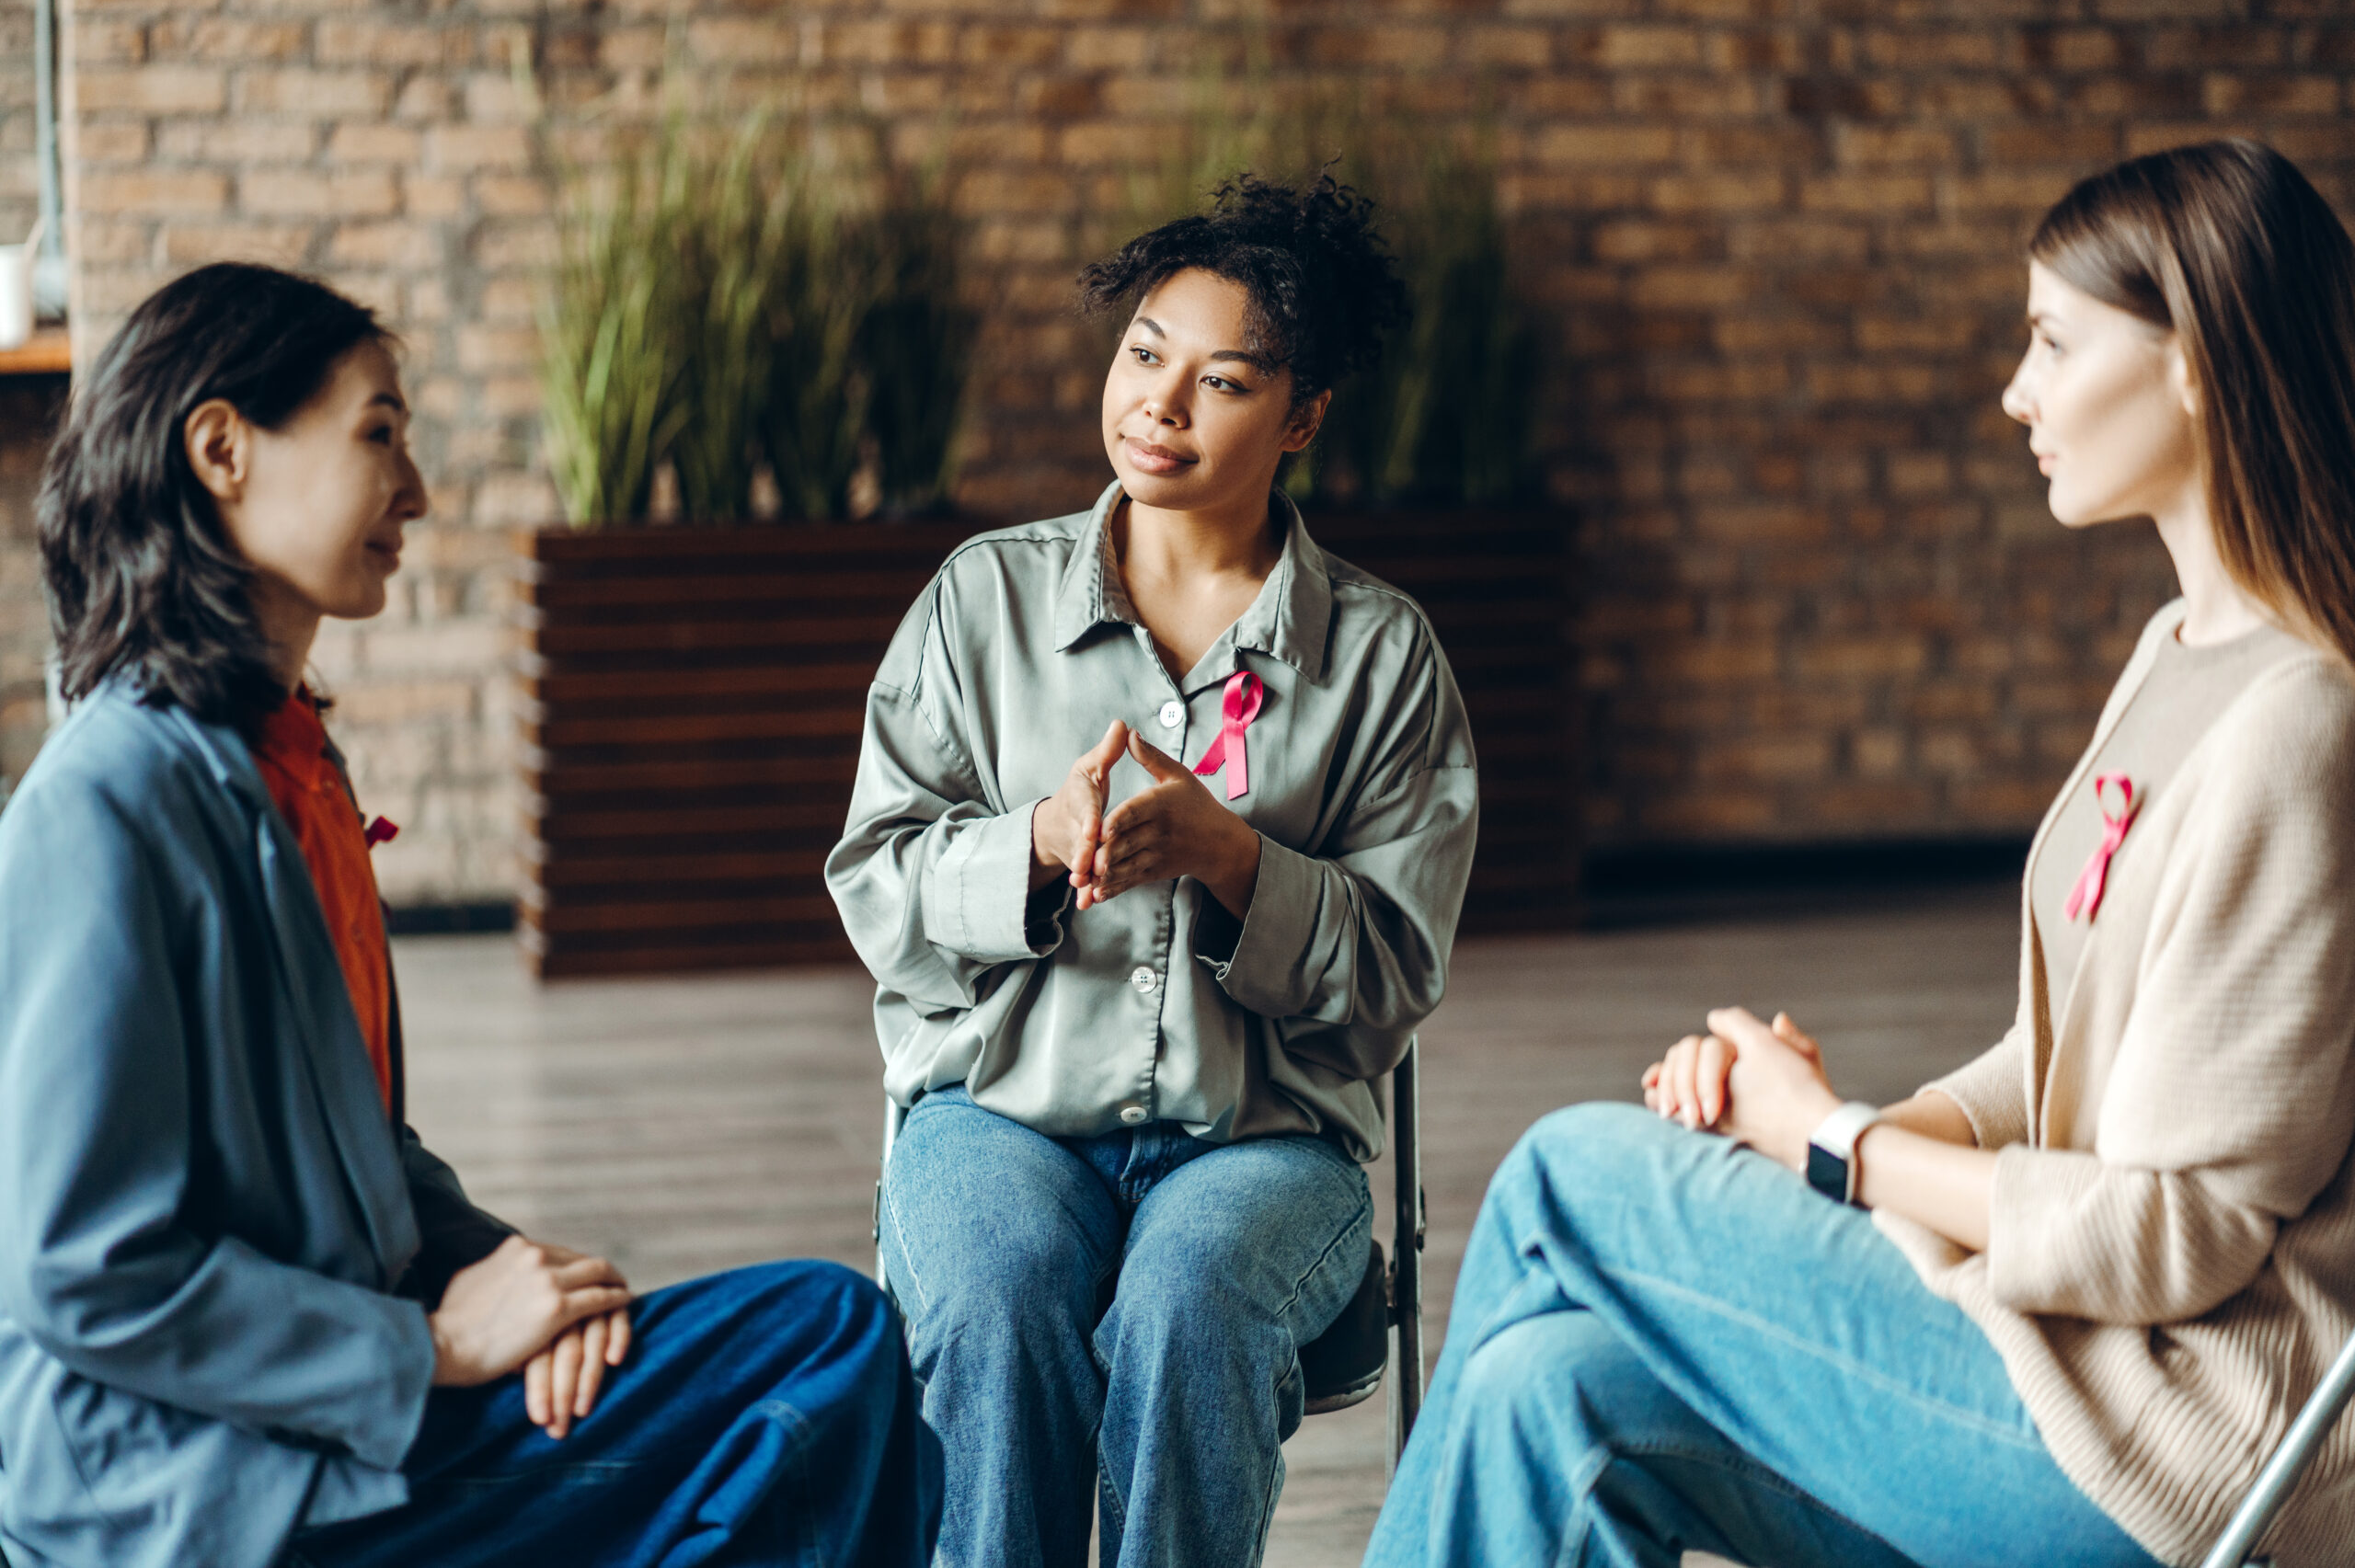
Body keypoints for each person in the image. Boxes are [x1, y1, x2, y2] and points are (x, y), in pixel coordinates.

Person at [1365, 139, 2355, 1568]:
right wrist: (1819, 1119)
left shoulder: (2302, 727)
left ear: (2195, 361)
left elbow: (2179, 1236)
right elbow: (2053, 1058)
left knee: (1571, 1169)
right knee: (1547, 1395)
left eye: (2054, 342)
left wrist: (1833, 1148)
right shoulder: (2176, 656)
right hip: (2068, 1368)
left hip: (2173, 1448)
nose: (2018, 390)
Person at [0, 262, 942, 1568]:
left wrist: (528, 1283)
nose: (419, 491)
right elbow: (79, 1270)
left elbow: (356, 1153)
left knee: (810, 1379)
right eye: (378, 433)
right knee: (823, 1346)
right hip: (196, 1491)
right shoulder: (103, 804)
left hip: (352, 1424)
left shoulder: (287, 767)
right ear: (221, 447)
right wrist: (432, 1344)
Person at [827, 173, 1478, 1568]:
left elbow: (1394, 976)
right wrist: (1036, 848)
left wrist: (1239, 861)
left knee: (1193, 1297)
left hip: (1261, 1143)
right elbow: (877, 884)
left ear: (1300, 418)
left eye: (1223, 379)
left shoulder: (1382, 658)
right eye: (1143, 355)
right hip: (999, 1117)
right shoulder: (978, 605)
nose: (1161, 406)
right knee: (997, 1295)